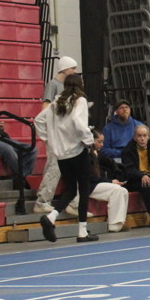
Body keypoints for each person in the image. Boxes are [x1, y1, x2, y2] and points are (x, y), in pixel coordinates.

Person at [34, 73, 97, 243]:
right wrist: (89, 140)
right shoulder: (79, 101)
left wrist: (50, 140)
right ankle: (82, 231)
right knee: (84, 189)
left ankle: (51, 217)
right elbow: (78, 122)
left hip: (61, 154)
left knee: (70, 189)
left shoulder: (55, 103)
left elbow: (38, 120)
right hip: (77, 151)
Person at [34, 56, 79, 213]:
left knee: (68, 168)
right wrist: (48, 134)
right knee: (54, 167)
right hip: (56, 135)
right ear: (65, 69)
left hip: (65, 134)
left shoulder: (67, 87)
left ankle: (73, 202)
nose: (75, 71)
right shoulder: (53, 85)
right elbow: (45, 108)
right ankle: (42, 200)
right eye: (73, 68)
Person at [64, 130, 129, 233]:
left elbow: (108, 163)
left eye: (102, 142)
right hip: (87, 186)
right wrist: (110, 181)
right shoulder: (85, 154)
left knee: (123, 191)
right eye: (99, 142)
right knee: (118, 190)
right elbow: (90, 177)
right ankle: (114, 225)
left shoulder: (96, 153)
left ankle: (119, 222)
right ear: (92, 140)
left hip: (95, 183)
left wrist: (115, 172)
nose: (102, 145)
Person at [121, 125, 150, 227]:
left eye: (144, 135)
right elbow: (129, 170)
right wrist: (141, 175)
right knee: (146, 184)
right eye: (139, 136)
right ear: (134, 138)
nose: (142, 138)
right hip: (135, 179)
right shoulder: (128, 150)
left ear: (148, 137)